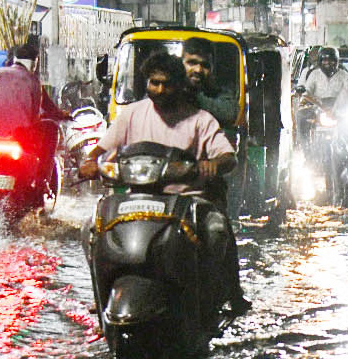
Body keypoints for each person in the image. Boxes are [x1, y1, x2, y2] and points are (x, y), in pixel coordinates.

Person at [79, 51, 250, 314]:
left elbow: (227, 156)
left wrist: (213, 164)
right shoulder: (132, 114)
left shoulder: (200, 119)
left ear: (179, 85)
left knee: (216, 231)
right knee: (90, 228)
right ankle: (101, 295)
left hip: (185, 200)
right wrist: (90, 162)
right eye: (154, 83)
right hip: (134, 199)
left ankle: (214, 298)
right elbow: (103, 147)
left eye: (166, 84)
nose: (159, 90)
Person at [0, 41, 65, 179]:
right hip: (21, 135)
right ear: (34, 62)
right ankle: (43, 179)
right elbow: (34, 114)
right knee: (52, 129)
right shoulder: (32, 80)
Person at [183, 36, 239, 143]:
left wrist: (192, 96)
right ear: (181, 63)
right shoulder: (167, 88)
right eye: (192, 63)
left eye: (205, 65)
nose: (198, 70)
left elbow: (229, 114)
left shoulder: (216, 92)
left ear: (212, 69)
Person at [295, 47, 348, 147]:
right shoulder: (314, 74)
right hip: (318, 106)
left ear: (337, 61)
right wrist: (307, 97)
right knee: (300, 115)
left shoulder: (344, 75)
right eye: (325, 60)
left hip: (339, 108)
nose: (328, 63)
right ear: (320, 61)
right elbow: (307, 91)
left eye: (331, 60)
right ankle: (305, 148)